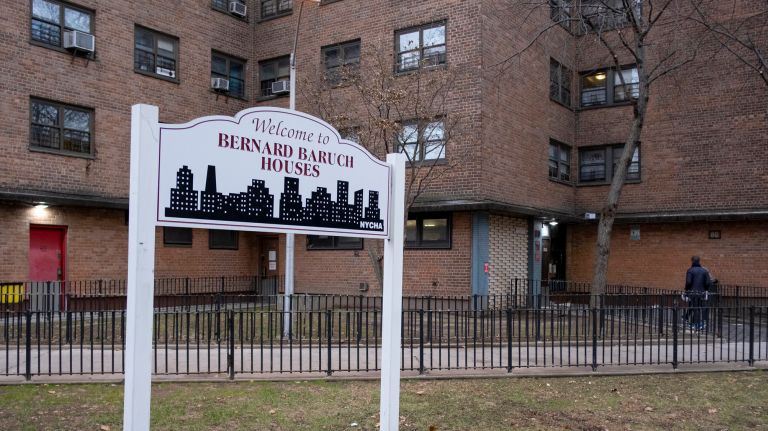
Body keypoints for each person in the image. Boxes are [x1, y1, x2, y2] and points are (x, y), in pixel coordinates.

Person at [684, 256, 712, 330]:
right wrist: (705, 289)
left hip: (692, 292)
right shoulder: (704, 271)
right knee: (699, 307)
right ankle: (696, 323)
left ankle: (696, 324)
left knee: (694, 307)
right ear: (699, 261)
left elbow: (688, 282)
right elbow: (708, 282)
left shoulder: (690, 270)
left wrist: (687, 290)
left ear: (692, 261)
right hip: (701, 292)